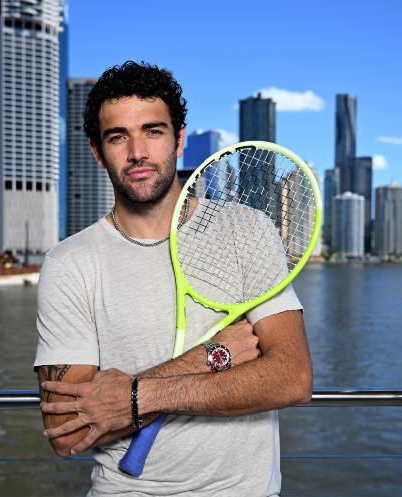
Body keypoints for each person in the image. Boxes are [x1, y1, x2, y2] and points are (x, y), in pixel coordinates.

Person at [34, 61, 312, 497]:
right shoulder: (69, 263)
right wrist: (209, 357)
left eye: (153, 131)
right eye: (118, 136)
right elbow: (68, 431)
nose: (138, 152)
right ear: (96, 151)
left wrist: (132, 397)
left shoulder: (247, 229)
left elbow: (292, 378)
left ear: (179, 140)